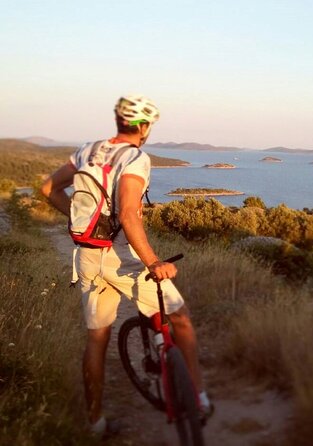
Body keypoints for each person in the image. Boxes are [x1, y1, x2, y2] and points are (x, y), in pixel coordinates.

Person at [41, 94, 212, 435]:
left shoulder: (87, 150)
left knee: (97, 339)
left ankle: (95, 423)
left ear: (118, 121)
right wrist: (153, 261)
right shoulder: (135, 158)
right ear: (144, 127)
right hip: (122, 257)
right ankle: (198, 398)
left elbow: (48, 188)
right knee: (180, 319)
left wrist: (79, 220)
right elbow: (129, 214)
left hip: (87, 255)